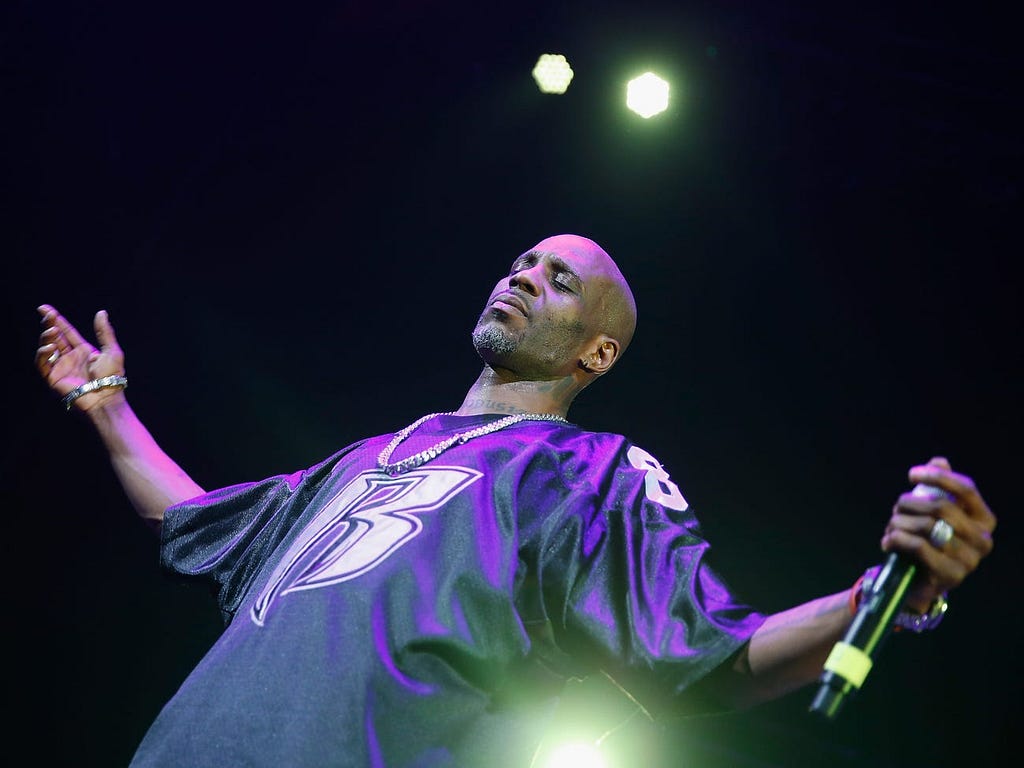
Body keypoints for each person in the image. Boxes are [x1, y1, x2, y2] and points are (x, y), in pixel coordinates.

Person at [35, 234, 996, 767]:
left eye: (559, 279)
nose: (523, 276)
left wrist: (887, 597)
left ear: (598, 352)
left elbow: (711, 658)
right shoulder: (376, 453)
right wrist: (107, 406)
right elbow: (196, 520)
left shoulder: (592, 474)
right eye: (522, 263)